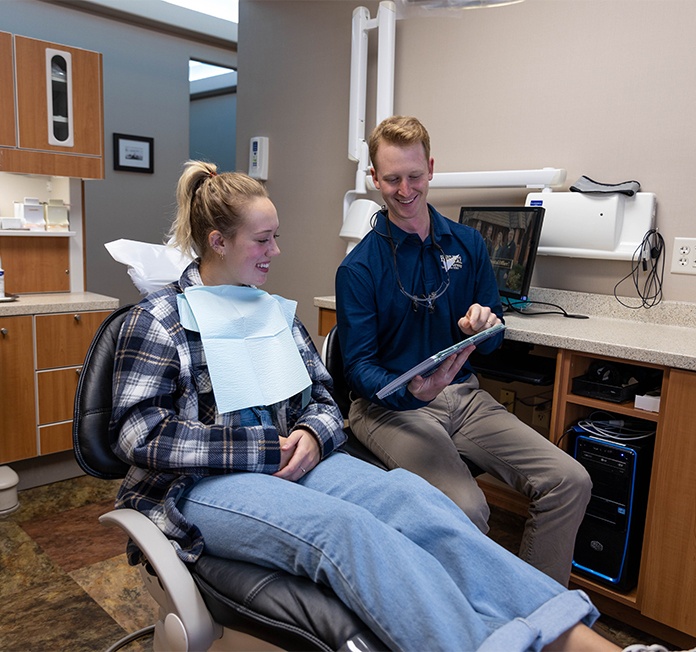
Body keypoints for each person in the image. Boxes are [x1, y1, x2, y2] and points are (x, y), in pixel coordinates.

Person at [107, 160, 640, 652]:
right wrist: (265, 448)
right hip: (200, 486)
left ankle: (591, 645)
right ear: (218, 241)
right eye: (263, 240)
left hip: (296, 463)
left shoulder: (273, 314)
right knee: (346, 531)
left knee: (416, 501)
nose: (276, 251)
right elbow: (139, 435)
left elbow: (323, 396)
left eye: (276, 238)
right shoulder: (157, 322)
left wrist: (314, 434)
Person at [335, 115, 593, 586]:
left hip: (463, 397)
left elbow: (492, 343)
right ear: (375, 179)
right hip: (390, 409)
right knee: (468, 508)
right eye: (392, 179)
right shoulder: (360, 267)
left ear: (430, 168)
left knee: (569, 481)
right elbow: (357, 368)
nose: (405, 189)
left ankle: (537, 612)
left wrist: (485, 325)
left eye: (415, 176)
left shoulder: (469, 244)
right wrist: (411, 390)